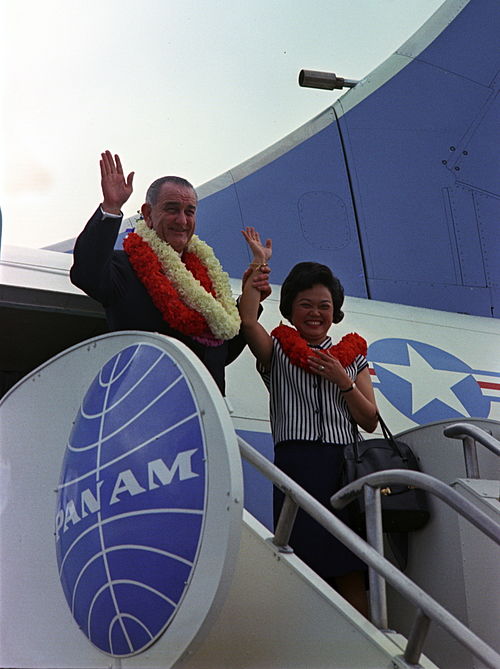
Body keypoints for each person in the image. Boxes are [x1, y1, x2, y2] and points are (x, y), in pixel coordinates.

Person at [238, 227, 378, 615]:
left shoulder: (353, 356)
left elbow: (370, 420)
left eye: (324, 305)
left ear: (335, 311)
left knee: (350, 569)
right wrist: (258, 267)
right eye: (306, 304)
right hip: (298, 468)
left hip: (345, 469)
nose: (315, 313)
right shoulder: (277, 350)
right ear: (290, 309)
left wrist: (343, 381)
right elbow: (249, 323)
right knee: (301, 569)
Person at [70, 151, 269, 395]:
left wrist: (250, 298)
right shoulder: (126, 266)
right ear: (147, 214)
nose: (182, 221)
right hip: (141, 408)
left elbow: (221, 354)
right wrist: (111, 208)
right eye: (172, 209)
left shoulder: (207, 279)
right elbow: (86, 273)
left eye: (189, 211)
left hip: (204, 416)